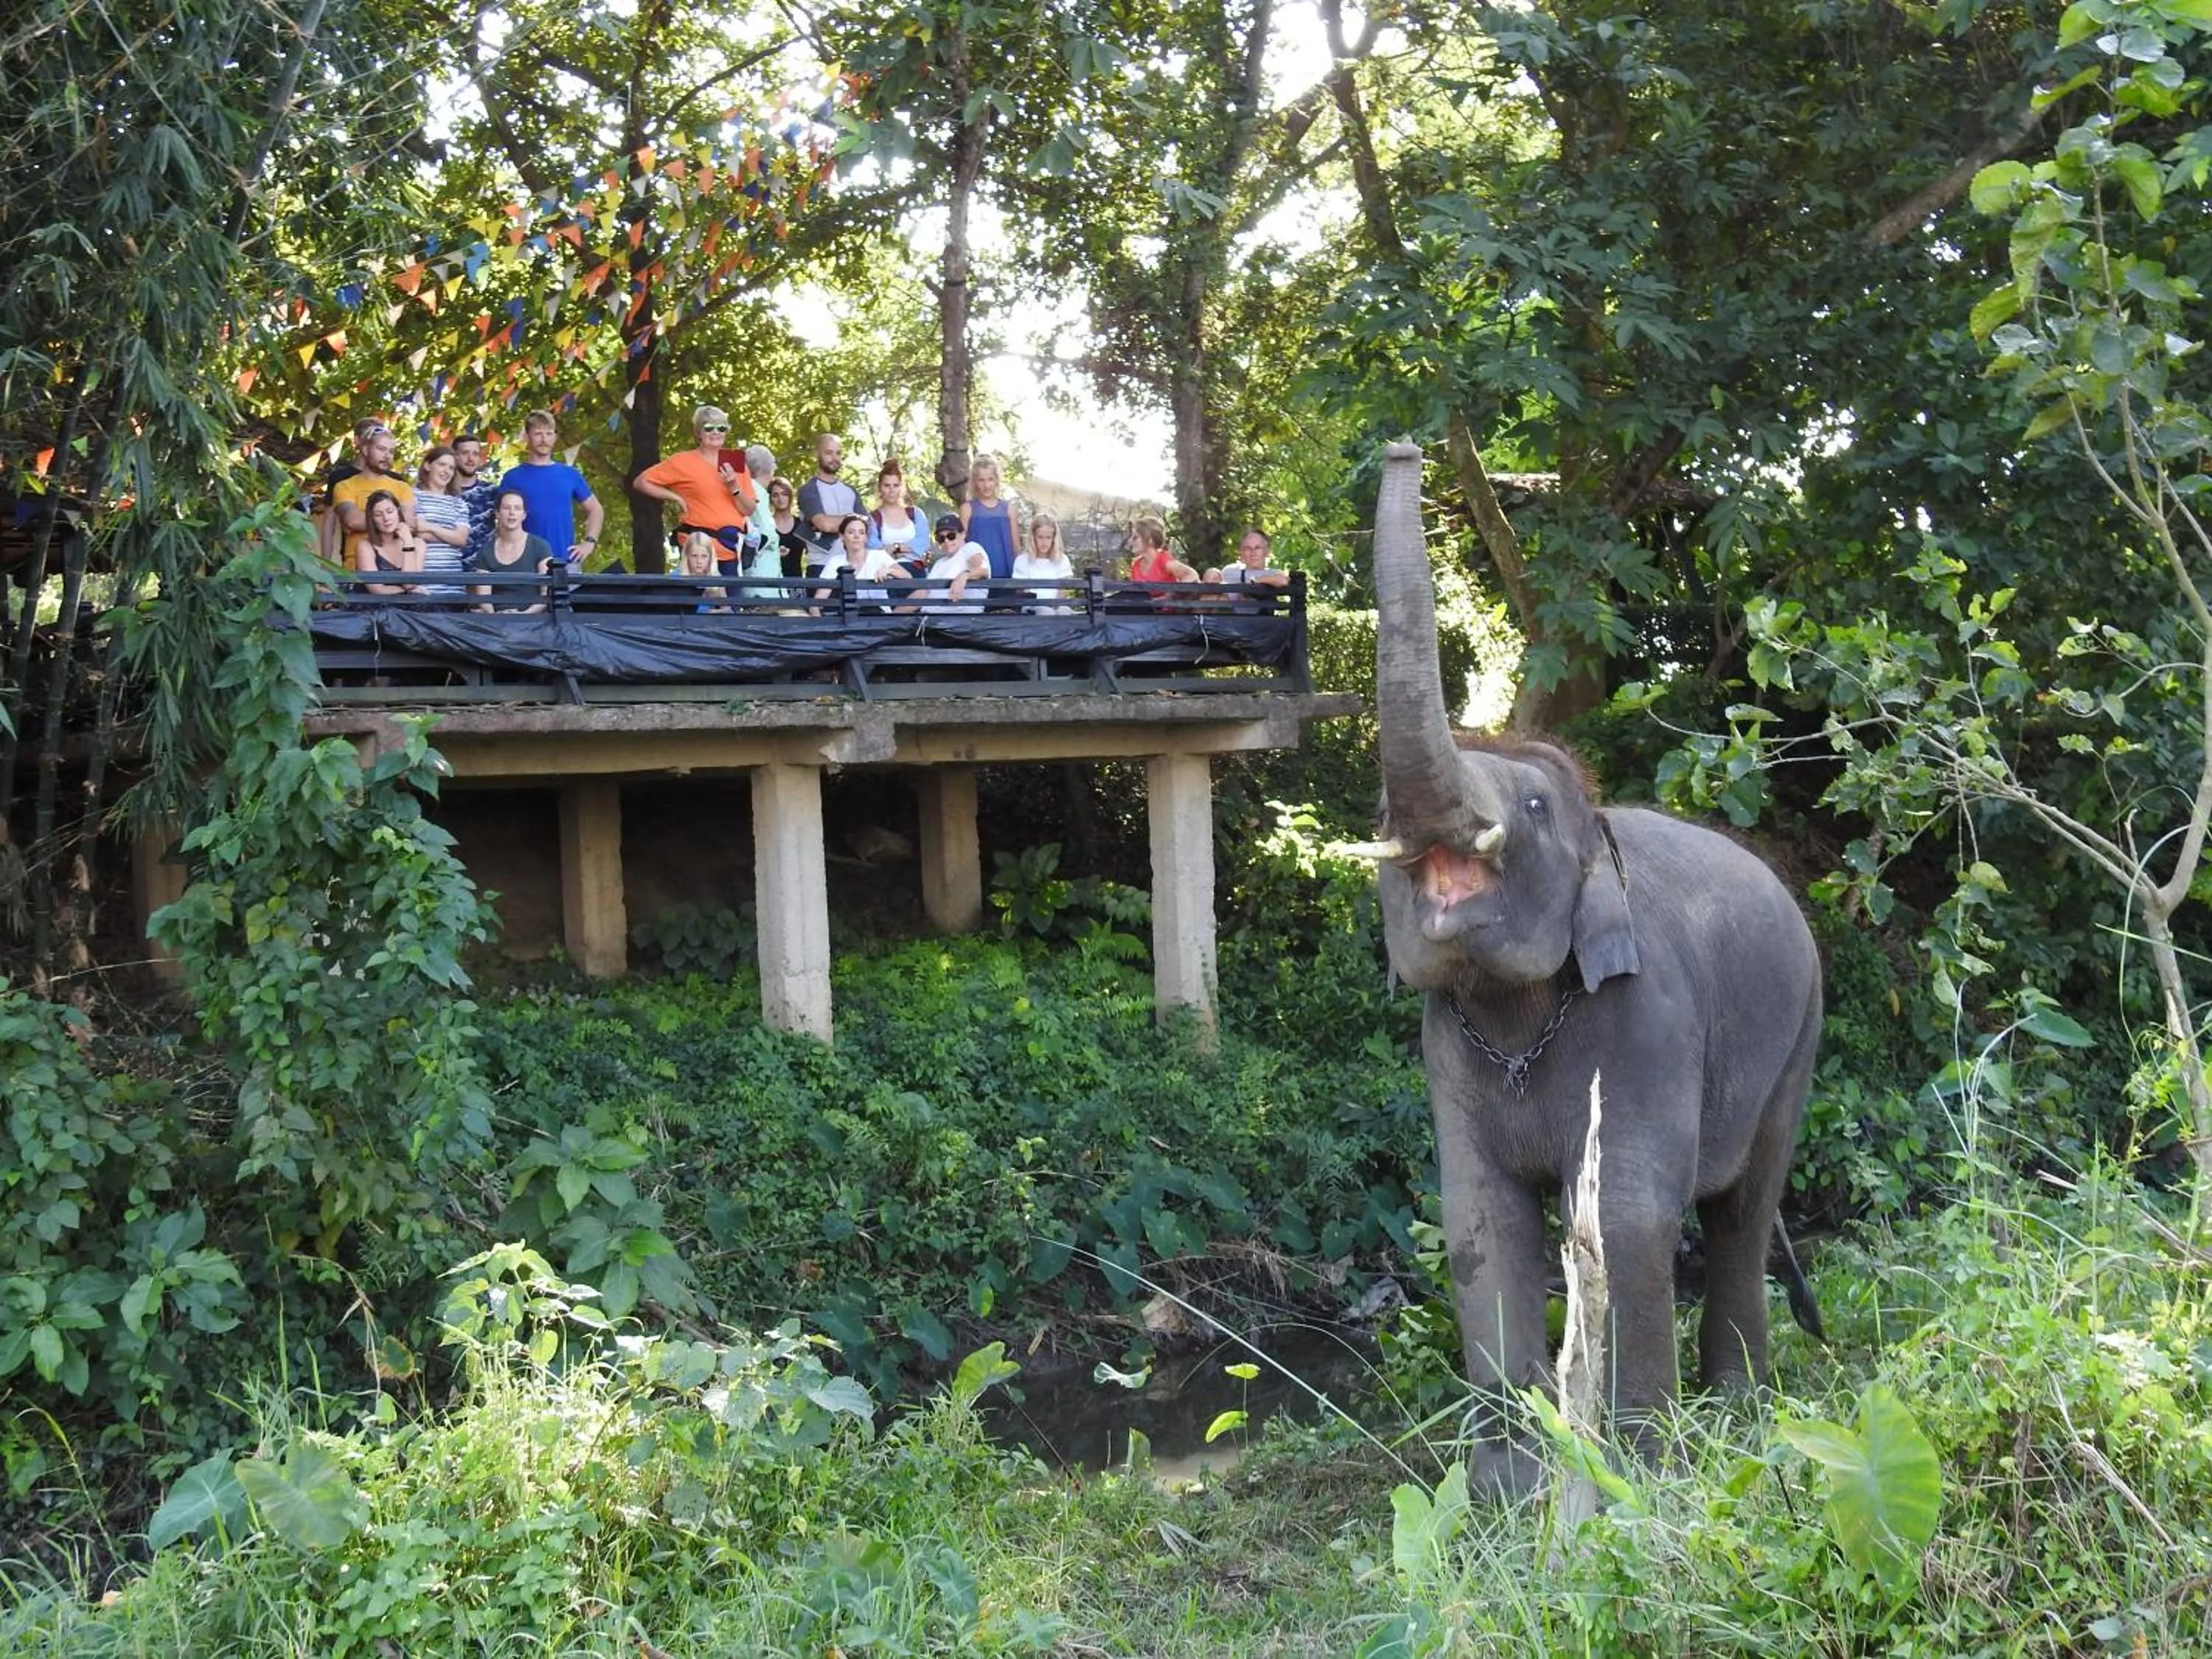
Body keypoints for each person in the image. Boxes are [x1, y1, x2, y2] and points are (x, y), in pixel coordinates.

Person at [632, 405, 749, 567]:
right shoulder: (683, 461)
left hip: (730, 551)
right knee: (699, 591)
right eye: (709, 428)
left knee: (732, 593)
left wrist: (734, 487)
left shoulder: (735, 460)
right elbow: (641, 482)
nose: (716, 432)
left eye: (721, 428)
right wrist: (675, 497)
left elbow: (748, 510)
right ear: (699, 433)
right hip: (697, 551)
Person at [504, 408, 603, 563]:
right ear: (527, 437)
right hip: (524, 564)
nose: (544, 439)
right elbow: (500, 519)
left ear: (555, 437)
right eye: (538, 434)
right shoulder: (513, 477)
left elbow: (596, 510)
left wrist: (589, 543)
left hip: (565, 561)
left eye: (549, 434)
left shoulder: (570, 474)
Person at [331, 423, 420, 566]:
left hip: (396, 567)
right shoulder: (344, 486)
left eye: (391, 451)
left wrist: (368, 520)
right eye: (381, 449)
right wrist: (392, 520)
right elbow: (352, 521)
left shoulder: (402, 487)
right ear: (365, 450)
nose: (387, 456)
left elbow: (409, 524)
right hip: (355, 569)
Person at [472, 486, 556, 611]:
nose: (512, 513)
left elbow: (545, 594)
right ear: (498, 514)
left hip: (533, 621)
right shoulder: (486, 551)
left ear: (524, 515)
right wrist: (497, 616)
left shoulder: (540, 546)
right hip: (497, 621)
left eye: (517, 508)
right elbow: (484, 600)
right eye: (506, 508)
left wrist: (524, 615)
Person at [412, 445, 473, 599]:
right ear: (427, 465)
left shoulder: (459, 503)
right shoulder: (412, 496)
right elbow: (416, 530)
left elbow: (461, 539)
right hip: (421, 587)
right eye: (442, 464)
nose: (447, 471)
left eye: (451, 468)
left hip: (453, 588)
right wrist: (449, 535)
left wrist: (429, 527)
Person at [795, 433, 859, 573]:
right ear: (817, 454)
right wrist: (854, 520)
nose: (834, 458)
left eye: (838, 453)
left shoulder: (850, 491)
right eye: (829, 453)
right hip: (821, 566)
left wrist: (844, 522)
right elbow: (824, 524)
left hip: (851, 566)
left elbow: (867, 525)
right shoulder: (808, 490)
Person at [821, 513, 908, 611]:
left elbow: (907, 576)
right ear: (842, 537)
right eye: (851, 532)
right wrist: (816, 614)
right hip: (849, 617)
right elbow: (821, 596)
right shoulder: (835, 561)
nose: (857, 536)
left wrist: (889, 571)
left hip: (879, 616)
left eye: (862, 533)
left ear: (866, 537)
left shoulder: (879, 555)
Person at [958, 453, 1021, 582]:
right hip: (976, 576)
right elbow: (960, 545)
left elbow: (1016, 547)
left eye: (990, 479)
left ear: (997, 480)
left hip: (1005, 575)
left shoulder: (1009, 509)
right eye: (981, 480)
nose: (986, 485)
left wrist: (1020, 576)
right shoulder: (967, 509)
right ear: (975, 482)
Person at [353, 490, 424, 595]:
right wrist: (406, 592)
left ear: (398, 512)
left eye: (390, 512)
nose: (386, 518)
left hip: (407, 607)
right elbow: (377, 589)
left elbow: (410, 583)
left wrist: (408, 544)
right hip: (375, 606)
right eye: (378, 515)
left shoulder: (418, 544)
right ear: (372, 519)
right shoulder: (365, 546)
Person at [452, 431, 502, 569]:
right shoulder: (443, 492)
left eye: (475, 454)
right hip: (449, 570)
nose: (470, 458)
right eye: (465, 453)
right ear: (455, 457)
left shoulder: (492, 491)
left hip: (485, 571)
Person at [923, 513, 991, 612]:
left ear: (963, 534)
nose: (946, 541)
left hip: (958, 618)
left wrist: (965, 575)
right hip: (929, 619)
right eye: (941, 538)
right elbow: (923, 591)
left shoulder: (970, 548)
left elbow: (982, 570)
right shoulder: (939, 563)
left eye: (951, 536)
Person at [869, 461, 928, 572]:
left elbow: (923, 544)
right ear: (880, 487)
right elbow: (874, 550)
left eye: (896, 485)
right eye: (887, 485)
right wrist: (905, 550)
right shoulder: (873, 518)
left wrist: (895, 548)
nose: (891, 490)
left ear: (901, 487)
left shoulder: (916, 514)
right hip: (884, 573)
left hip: (915, 571)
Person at [1013, 511, 1077, 613]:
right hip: (1032, 608)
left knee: (1065, 611)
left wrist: (1056, 606)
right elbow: (1026, 592)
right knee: (1046, 611)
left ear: (1054, 538)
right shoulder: (1022, 561)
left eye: (1048, 538)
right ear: (1033, 537)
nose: (1044, 542)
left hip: (1056, 605)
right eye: (1040, 537)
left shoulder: (1062, 560)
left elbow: (1062, 591)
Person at [1205, 525, 1291, 590]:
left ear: (1267, 551)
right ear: (1241, 552)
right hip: (1228, 612)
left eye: (1258, 548)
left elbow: (1283, 580)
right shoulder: (1229, 571)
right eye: (1248, 548)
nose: (1253, 553)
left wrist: (1254, 581)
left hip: (1261, 613)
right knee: (1211, 573)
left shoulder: (1273, 573)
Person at [1127, 516, 1199, 584]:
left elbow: (1192, 575)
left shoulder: (1164, 560)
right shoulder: (1136, 565)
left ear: (1150, 540)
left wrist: (1171, 595)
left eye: (1135, 537)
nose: (1130, 541)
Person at [677, 530, 728, 613]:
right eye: (694, 556)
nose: (699, 561)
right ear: (687, 556)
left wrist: (716, 613)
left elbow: (727, 611)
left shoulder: (716, 579)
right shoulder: (676, 577)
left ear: (711, 557)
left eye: (704, 556)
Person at [768, 475, 808, 579]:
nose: (780, 499)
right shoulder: (767, 524)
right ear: (770, 498)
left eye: (784, 494)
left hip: (797, 585)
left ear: (790, 496)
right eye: (775, 495)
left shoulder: (801, 524)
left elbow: (815, 552)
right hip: (771, 583)